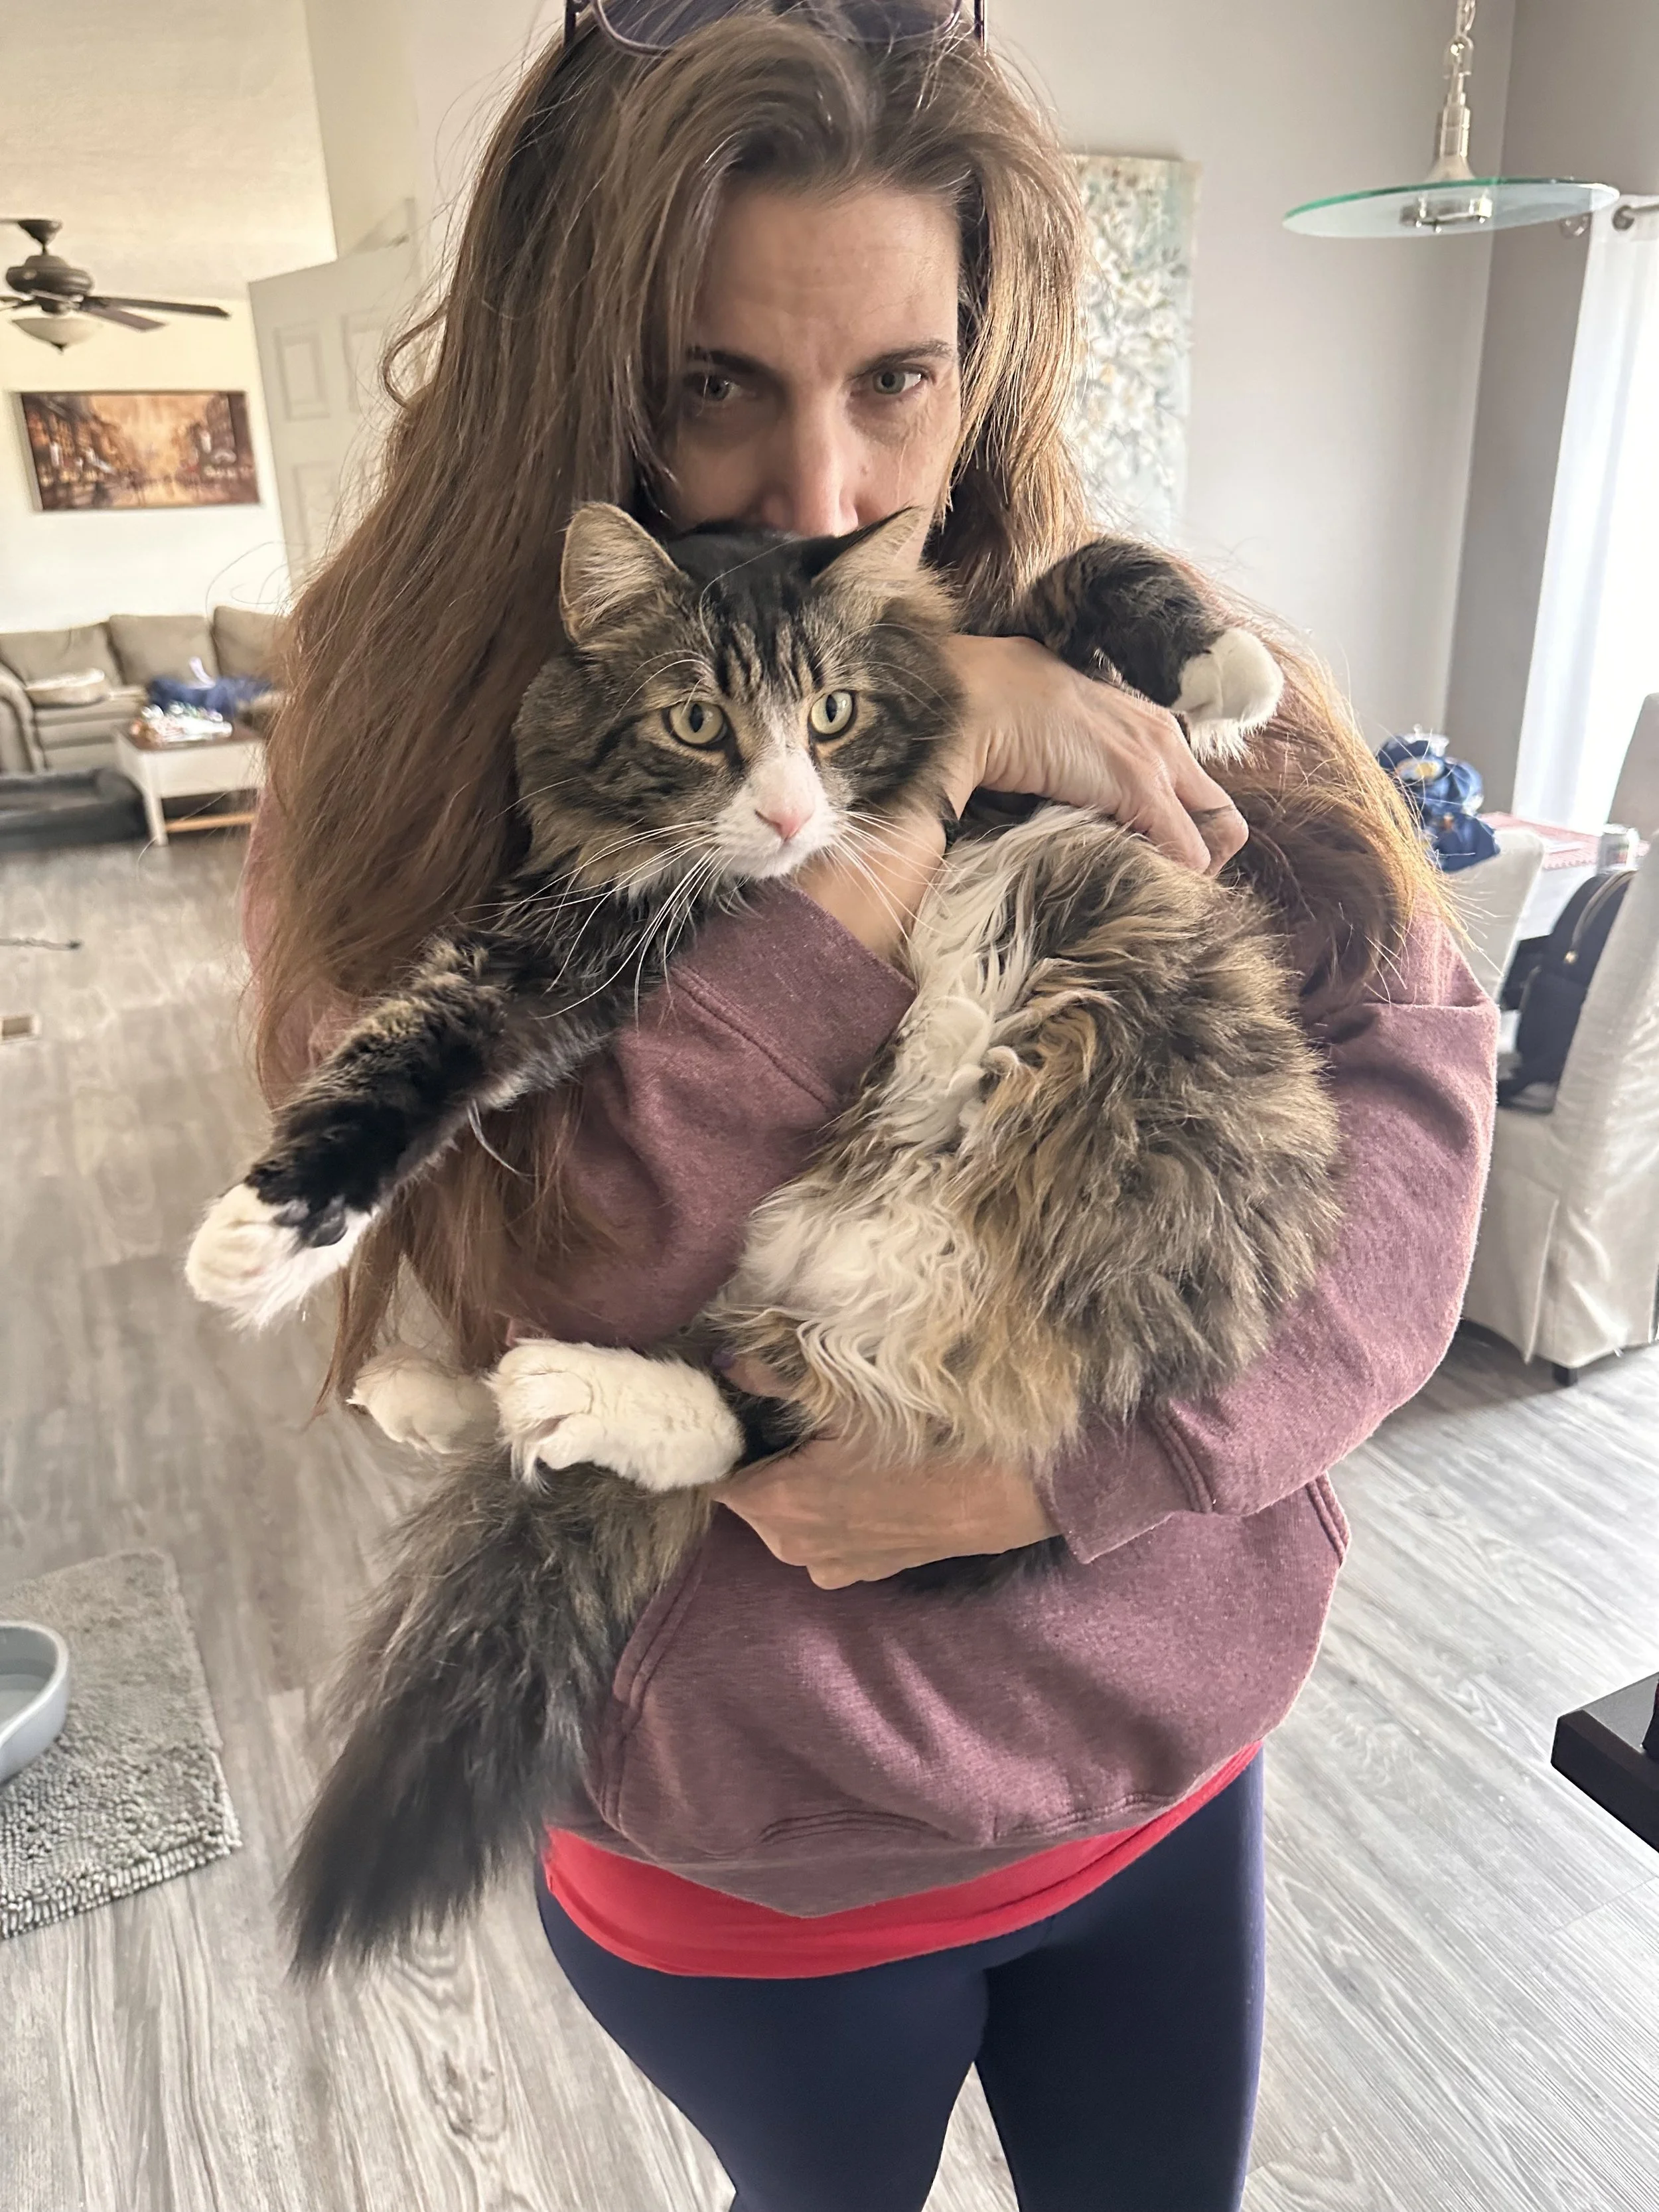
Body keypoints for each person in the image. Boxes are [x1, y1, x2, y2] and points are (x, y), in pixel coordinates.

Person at [248, 6, 1498, 2207]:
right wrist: (901, 771)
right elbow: (592, 1271)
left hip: (1163, 1765)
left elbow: (1407, 1093)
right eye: (715, 383)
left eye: (893, 381)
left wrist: (1071, 1468)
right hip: (765, 1858)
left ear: (981, 349)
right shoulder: (402, 781)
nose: (824, 495)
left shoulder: (1142, 648)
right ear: (579, 364)